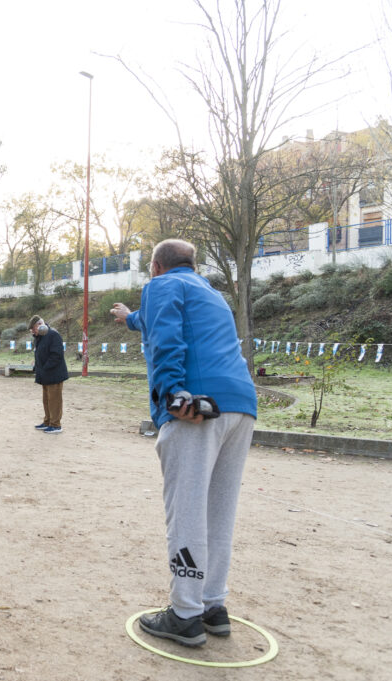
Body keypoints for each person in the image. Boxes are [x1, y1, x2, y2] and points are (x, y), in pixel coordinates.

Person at [111, 238, 257, 648]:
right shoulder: (209, 293)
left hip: (196, 405)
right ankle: (213, 606)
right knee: (219, 511)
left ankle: (185, 614)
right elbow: (157, 320)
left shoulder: (160, 286)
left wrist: (172, 393)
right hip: (240, 405)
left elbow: (166, 339)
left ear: (156, 266)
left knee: (187, 509)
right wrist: (130, 318)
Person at [29, 315, 68, 434]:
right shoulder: (40, 337)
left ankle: (56, 425)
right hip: (45, 375)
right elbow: (40, 354)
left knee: (54, 401)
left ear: (41, 325)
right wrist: (38, 367)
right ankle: (47, 421)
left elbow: (56, 355)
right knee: (46, 400)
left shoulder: (53, 335)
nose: (33, 331)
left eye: (33, 328)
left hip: (54, 374)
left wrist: (45, 368)